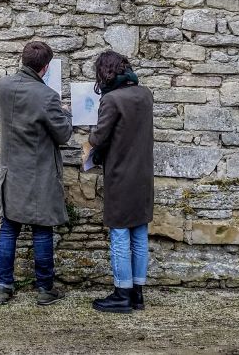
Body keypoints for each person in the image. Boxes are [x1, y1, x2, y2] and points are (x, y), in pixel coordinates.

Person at [0, 41, 73, 306]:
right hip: (38, 173)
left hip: (10, 170)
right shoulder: (47, 95)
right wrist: (66, 115)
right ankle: (44, 289)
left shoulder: (0, 86)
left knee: (8, 228)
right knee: (41, 230)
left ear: (22, 60)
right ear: (46, 67)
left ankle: (3, 286)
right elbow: (63, 135)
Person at [88, 51, 154, 314]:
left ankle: (121, 294)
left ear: (104, 72)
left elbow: (98, 138)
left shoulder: (112, 99)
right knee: (139, 232)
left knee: (118, 232)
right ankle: (137, 293)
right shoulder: (145, 94)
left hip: (120, 174)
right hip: (143, 174)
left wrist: (90, 137)